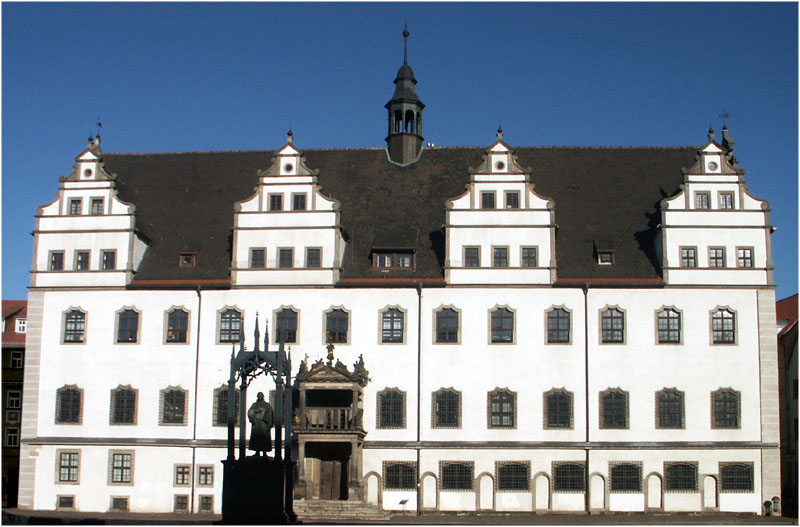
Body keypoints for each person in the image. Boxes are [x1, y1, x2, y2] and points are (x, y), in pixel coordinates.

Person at [247, 392, 273, 457]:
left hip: (263, 423)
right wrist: (255, 412)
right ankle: (257, 451)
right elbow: (250, 411)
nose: (259, 397)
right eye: (258, 396)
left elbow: (270, 413)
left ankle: (264, 452)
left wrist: (268, 422)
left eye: (260, 396)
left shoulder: (267, 405)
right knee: (256, 438)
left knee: (264, 438)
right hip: (256, 424)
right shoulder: (254, 405)